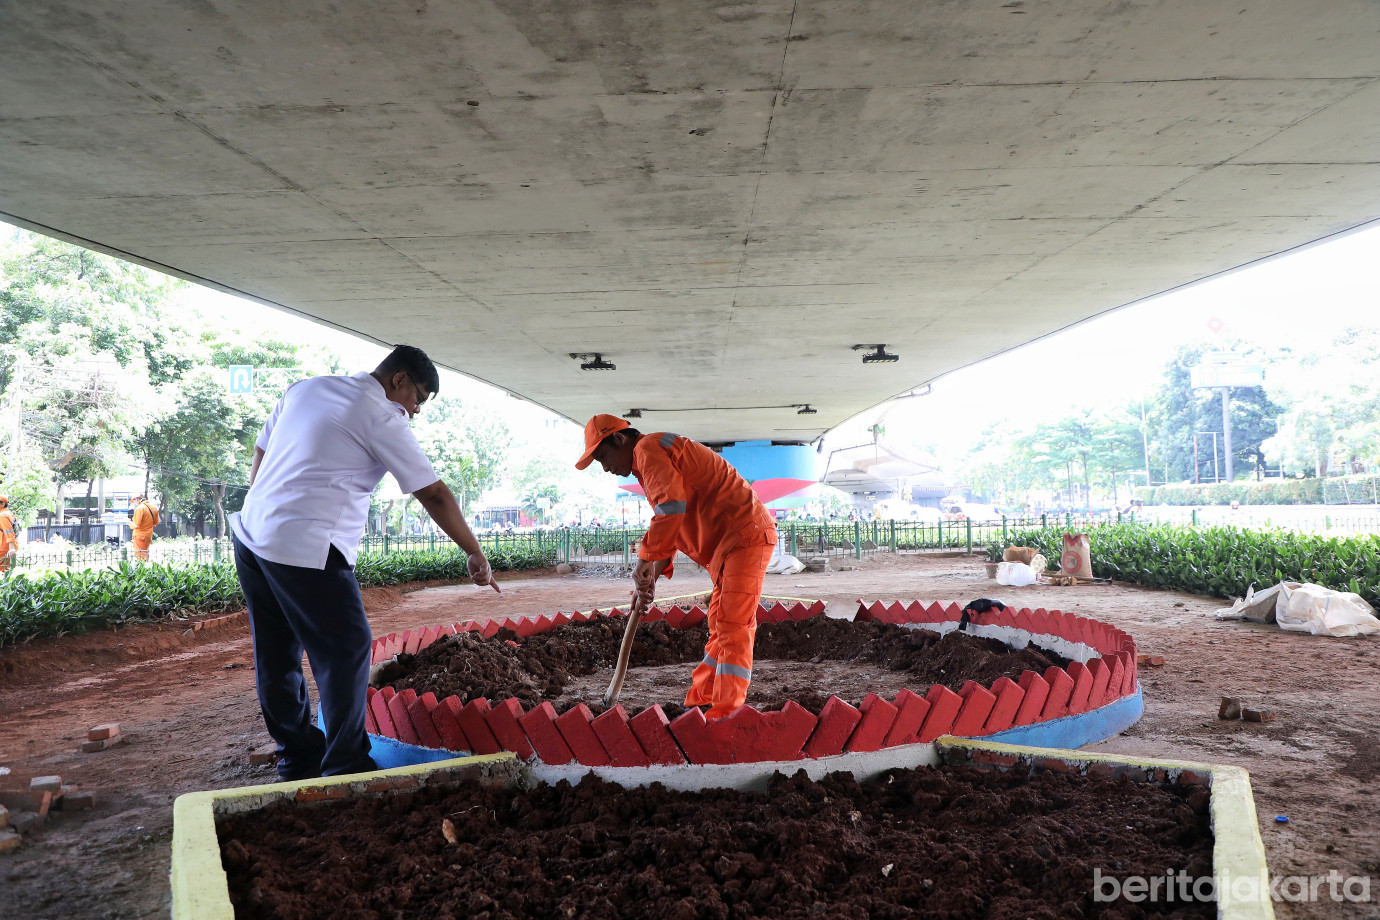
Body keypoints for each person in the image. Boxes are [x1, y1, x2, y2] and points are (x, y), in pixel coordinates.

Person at [230, 345, 500, 780]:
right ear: (399, 380)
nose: (414, 412)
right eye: (418, 400)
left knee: (277, 656)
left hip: (252, 535)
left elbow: (260, 451)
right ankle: (345, 764)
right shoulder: (379, 414)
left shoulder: (306, 389)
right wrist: (474, 550)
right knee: (347, 649)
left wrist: (265, 505)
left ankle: (297, 758)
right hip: (308, 546)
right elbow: (432, 492)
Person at [576, 415, 776, 720]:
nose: (605, 468)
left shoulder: (647, 449)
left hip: (743, 537)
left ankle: (725, 716)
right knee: (722, 622)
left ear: (619, 439)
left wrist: (644, 560)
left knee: (734, 626)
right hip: (732, 543)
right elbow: (673, 521)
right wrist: (649, 580)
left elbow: (671, 508)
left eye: (603, 457)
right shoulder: (651, 457)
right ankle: (701, 701)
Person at [130, 493, 159, 561]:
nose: (134, 503)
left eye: (134, 501)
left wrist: (129, 523)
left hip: (139, 535)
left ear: (137, 499)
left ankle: (141, 570)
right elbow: (155, 522)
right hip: (148, 535)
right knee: (145, 553)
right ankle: (146, 568)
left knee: (140, 555)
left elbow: (136, 524)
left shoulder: (140, 508)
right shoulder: (153, 508)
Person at [0, 495, 18, 575]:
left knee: (3, 572)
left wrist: (11, 548)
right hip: (6, 547)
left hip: (4, 547)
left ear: (3, 504)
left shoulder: (3, 516)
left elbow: (9, 532)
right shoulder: (8, 513)